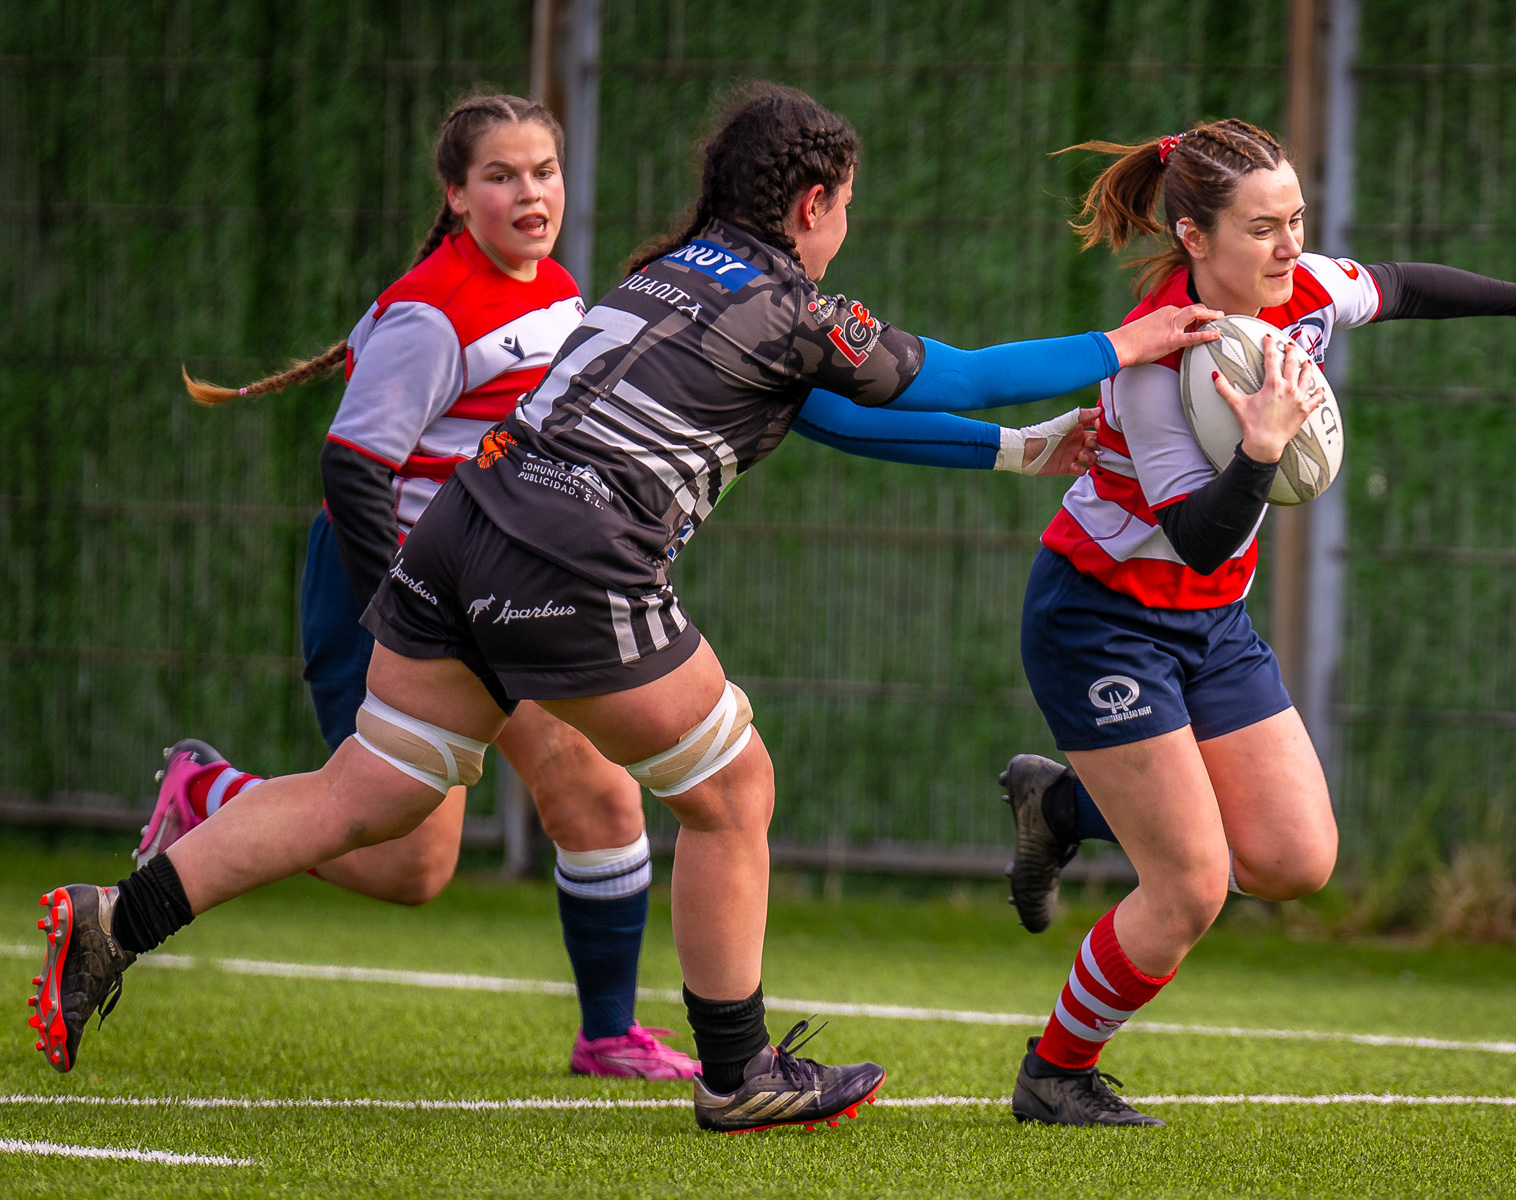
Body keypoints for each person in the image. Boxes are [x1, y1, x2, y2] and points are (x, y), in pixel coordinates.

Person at [29, 83, 1218, 1134]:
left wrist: (1018, 455)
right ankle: (741, 1070)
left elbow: (836, 417)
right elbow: (949, 371)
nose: (845, 220)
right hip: (572, 567)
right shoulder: (789, 305)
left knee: (363, 796)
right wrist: (1123, 342)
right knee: (735, 791)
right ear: (813, 199)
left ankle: (111, 921)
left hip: (465, 534)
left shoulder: (669, 273)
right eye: (845, 199)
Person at [997, 118, 1516, 1126]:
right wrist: (1258, 450)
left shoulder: (1309, 290)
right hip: (1101, 621)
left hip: (1211, 625)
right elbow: (1199, 537)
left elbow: (1405, 285)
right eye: (1262, 229)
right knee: (1191, 886)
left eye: (1296, 221)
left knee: (1293, 862)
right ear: (1195, 237)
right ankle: (1057, 1072)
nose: (1289, 248)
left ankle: (1064, 810)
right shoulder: (1158, 361)